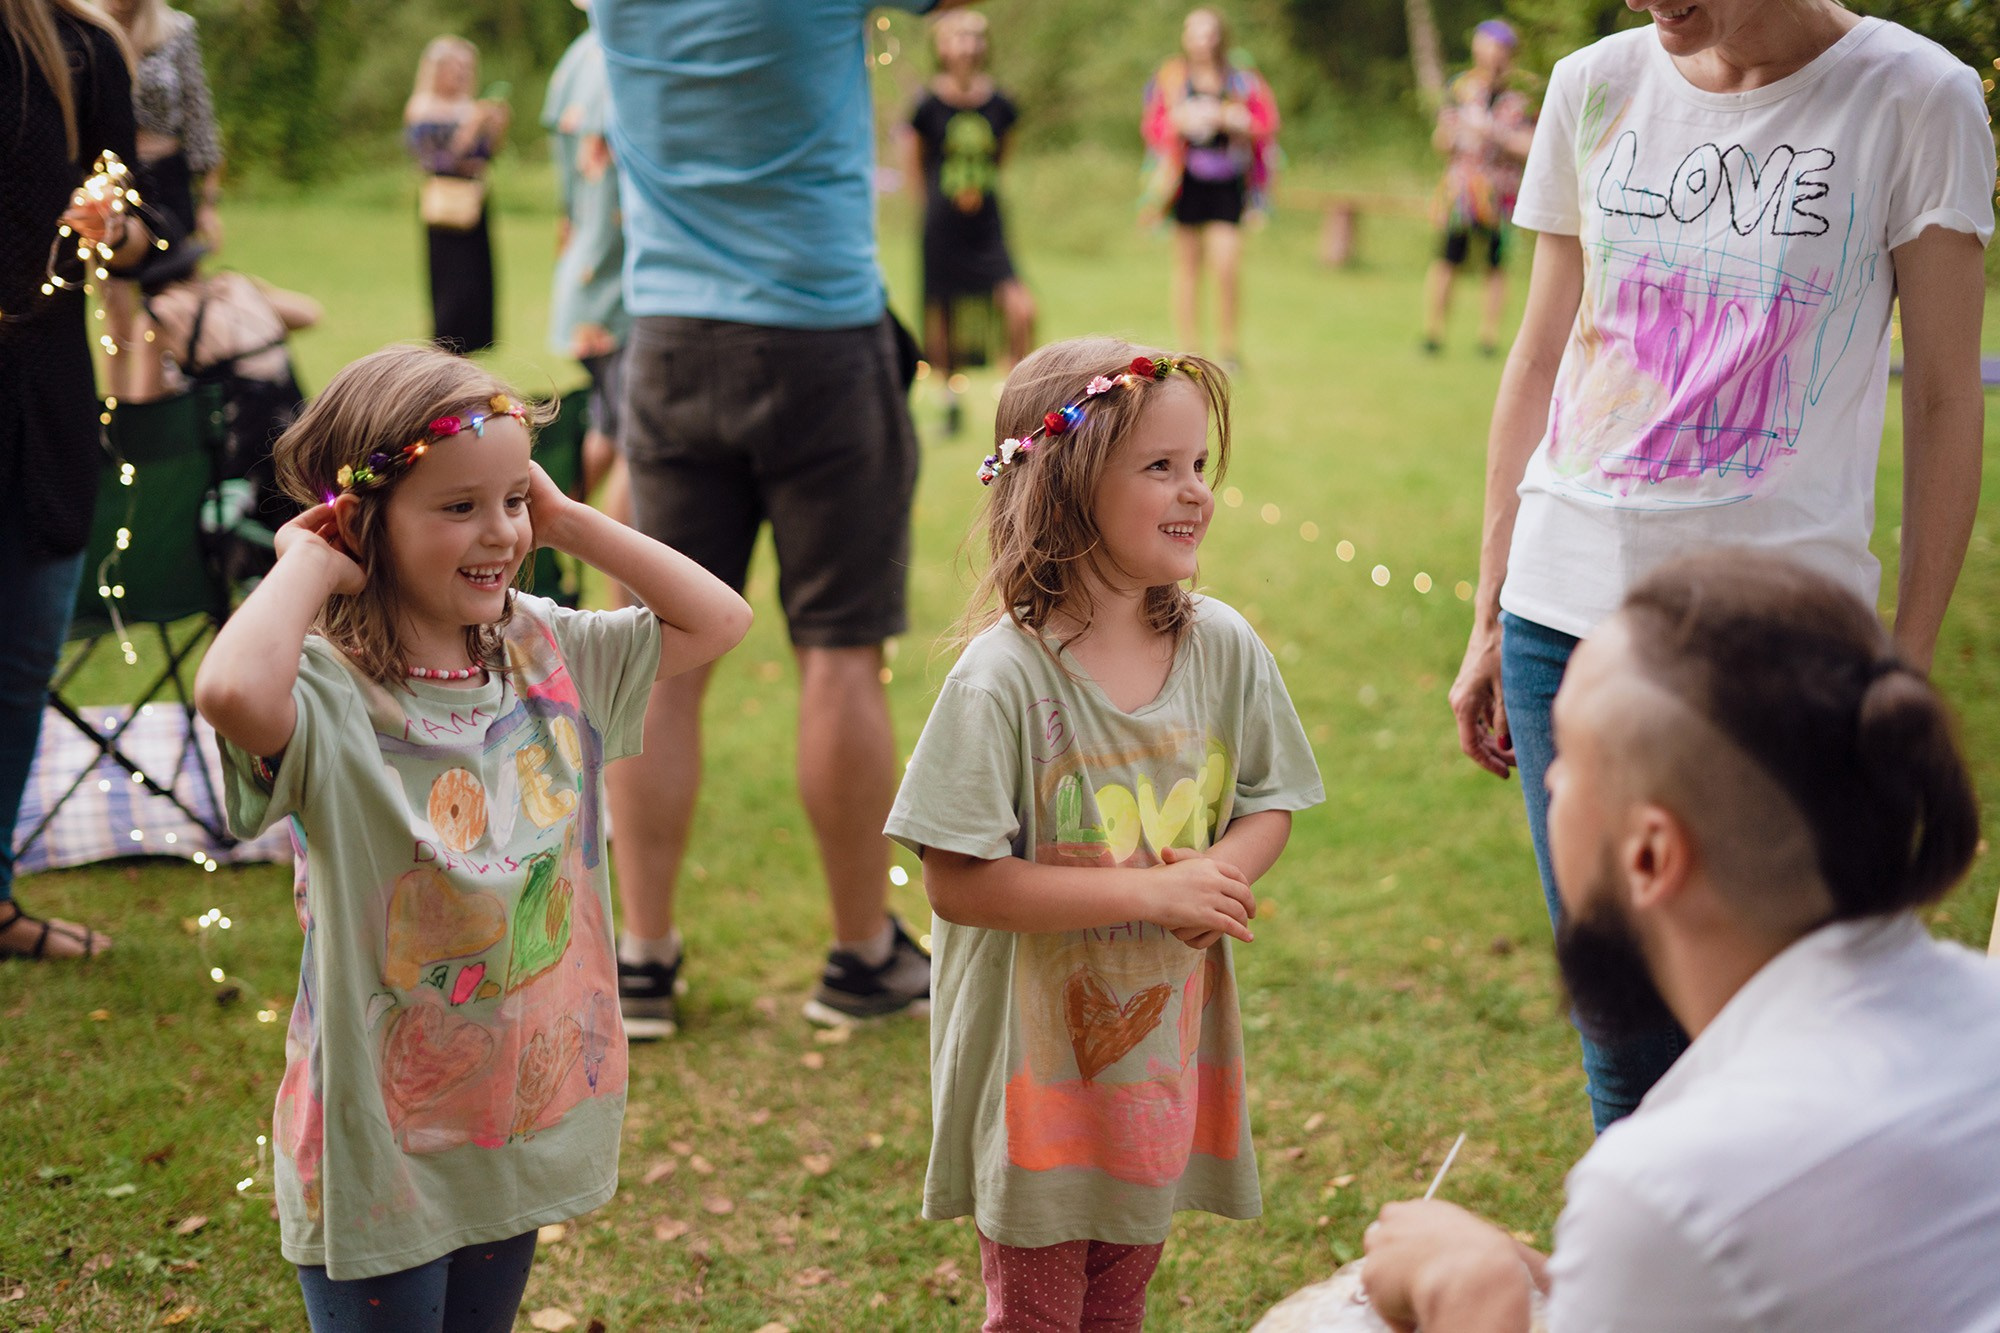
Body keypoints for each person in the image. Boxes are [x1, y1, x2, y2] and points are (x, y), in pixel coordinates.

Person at [1445, 0, 1994, 1131]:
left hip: (1772, 641)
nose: (1655, 4)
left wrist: (1906, 655)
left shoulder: (1915, 97)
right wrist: (1488, 610)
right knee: (1621, 1021)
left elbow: (1944, 400)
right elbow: (1541, 354)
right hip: (1562, 613)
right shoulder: (1590, 84)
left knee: (1771, 1018)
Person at [192, 344, 751, 1331]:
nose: (499, 531)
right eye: (457, 507)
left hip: (511, 1122)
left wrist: (570, 519)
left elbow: (719, 618)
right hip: (381, 1151)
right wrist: (308, 564)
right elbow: (232, 690)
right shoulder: (327, 694)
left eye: (512, 500)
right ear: (363, 522)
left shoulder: (543, 648)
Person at [1368, 549, 2000, 1333]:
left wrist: (1478, 1296)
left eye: (1568, 761)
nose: (1550, 782)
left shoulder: (1670, 1184)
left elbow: (1706, 1221)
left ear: (1651, 855)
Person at [889, 337, 1324, 1332]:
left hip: (1154, 1057)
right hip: (1035, 1078)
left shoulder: (1222, 647)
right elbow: (957, 881)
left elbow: (1268, 798)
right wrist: (1148, 893)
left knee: (1120, 1299)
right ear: (1068, 486)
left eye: (1199, 465)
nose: (1195, 492)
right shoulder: (1003, 677)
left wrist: (1220, 870)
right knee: (1040, 1316)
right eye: (1159, 468)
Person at [594, 0, 968, 1037]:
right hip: (820, 341)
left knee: (658, 661)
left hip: (667, 344)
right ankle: (859, 956)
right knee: (841, 657)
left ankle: (641, 962)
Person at [0, 0, 153, 960]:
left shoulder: (81, 48)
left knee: (18, 669)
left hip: (42, 404)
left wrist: (110, 227)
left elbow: (142, 231)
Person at [904, 8, 1033, 435]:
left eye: (976, 36)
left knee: (1019, 307)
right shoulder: (926, 105)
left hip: (988, 222)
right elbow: (916, 164)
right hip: (941, 223)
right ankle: (949, 401)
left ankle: (1022, 398)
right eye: (958, 36)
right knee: (942, 313)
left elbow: (1004, 155)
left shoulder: (1001, 103)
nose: (968, 45)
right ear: (941, 46)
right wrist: (928, 212)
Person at [1140, 8, 1278, 370]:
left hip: (1227, 181)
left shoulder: (1241, 80)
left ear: (1221, 37)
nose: (1203, 40)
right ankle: (1189, 350)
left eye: (1209, 32)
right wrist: (1178, 121)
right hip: (1185, 181)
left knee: (1227, 264)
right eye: (1195, 32)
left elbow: (1266, 123)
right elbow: (1153, 127)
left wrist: (1234, 120)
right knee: (1187, 266)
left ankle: (1229, 348)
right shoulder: (1171, 78)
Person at [543, 2, 629, 512]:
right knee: (636, 452)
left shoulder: (577, 58)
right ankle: (632, 593)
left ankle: (542, 538)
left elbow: (567, 197)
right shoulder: (628, 60)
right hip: (623, 293)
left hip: (585, 287)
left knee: (612, 430)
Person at [1420, 19, 1533, 356]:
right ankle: (1433, 333)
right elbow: (1440, 141)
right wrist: (1451, 135)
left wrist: (1495, 136)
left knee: (1496, 263)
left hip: (1501, 192)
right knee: (1447, 257)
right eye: (1485, 45)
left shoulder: (1523, 94)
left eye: (1498, 47)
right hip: (1463, 191)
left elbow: (1532, 146)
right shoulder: (1460, 88)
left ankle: (1488, 337)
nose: (1491, 53)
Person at [405, 36, 509, 356]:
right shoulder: (423, 108)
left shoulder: (469, 106)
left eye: (468, 67)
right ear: (437, 69)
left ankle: (472, 350)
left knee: (477, 285)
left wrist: (497, 127)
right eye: (456, 66)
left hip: (475, 202)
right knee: (451, 285)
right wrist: (471, 126)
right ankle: (447, 350)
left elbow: (487, 156)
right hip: (445, 205)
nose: (463, 73)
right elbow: (438, 160)